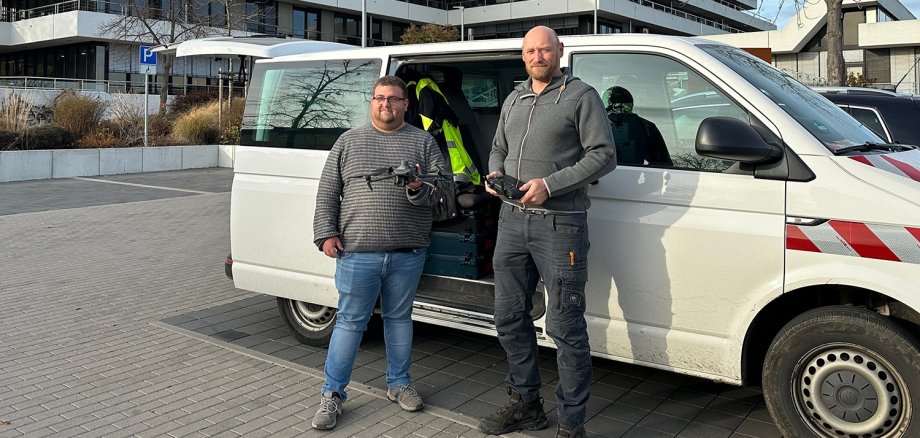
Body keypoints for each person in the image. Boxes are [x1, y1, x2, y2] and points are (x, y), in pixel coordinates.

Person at [479, 26, 617, 438]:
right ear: (523, 56)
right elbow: (499, 146)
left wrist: (550, 184)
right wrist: (495, 172)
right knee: (507, 317)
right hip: (511, 222)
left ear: (560, 51)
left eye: (545, 49)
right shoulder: (515, 97)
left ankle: (572, 424)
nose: (538, 56)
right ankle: (526, 405)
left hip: (561, 225)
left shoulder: (580, 95)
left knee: (564, 326)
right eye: (530, 51)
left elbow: (604, 155)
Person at [311, 75, 446, 430]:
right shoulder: (349, 141)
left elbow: (442, 193)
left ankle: (399, 384)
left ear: (405, 104)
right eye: (380, 98)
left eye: (394, 99)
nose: (387, 104)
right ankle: (332, 396)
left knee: (399, 319)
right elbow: (328, 192)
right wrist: (325, 233)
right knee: (350, 322)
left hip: (407, 251)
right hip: (357, 252)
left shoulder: (424, 143)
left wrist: (418, 187)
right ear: (371, 102)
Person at [604, 86, 673, 166]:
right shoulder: (646, 127)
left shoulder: (594, 127)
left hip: (599, 175)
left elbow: (663, 164)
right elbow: (663, 164)